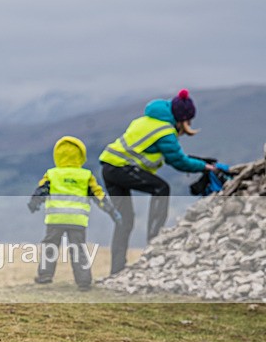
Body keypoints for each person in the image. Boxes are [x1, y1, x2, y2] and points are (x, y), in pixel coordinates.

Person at [100, 89, 228, 274]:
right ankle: (154, 239)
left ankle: (116, 270)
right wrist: (204, 167)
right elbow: (178, 161)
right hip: (121, 169)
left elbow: (170, 155)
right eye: (189, 121)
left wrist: (200, 162)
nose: (190, 125)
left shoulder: (148, 121)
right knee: (161, 188)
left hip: (109, 168)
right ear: (182, 119)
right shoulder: (165, 131)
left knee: (124, 221)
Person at [28, 136, 121, 291]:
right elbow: (98, 196)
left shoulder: (52, 174)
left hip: (56, 219)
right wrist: (111, 211)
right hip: (77, 220)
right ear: (81, 156)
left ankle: (45, 275)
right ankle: (84, 281)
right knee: (78, 249)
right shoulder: (85, 176)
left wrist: (34, 204)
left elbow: (41, 191)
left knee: (50, 246)